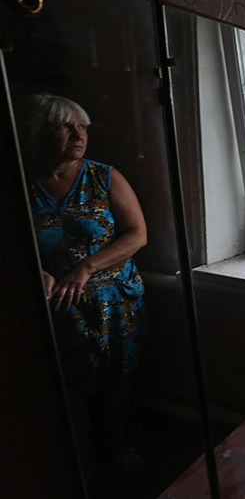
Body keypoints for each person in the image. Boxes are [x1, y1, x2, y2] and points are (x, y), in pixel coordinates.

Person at [23, 94, 148, 480]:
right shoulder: (20, 183)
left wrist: (85, 268)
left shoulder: (103, 177)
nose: (77, 135)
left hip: (113, 300)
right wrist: (35, 271)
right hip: (56, 306)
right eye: (64, 126)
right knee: (68, 386)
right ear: (36, 133)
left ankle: (117, 449)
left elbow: (137, 234)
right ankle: (77, 461)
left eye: (82, 127)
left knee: (117, 381)